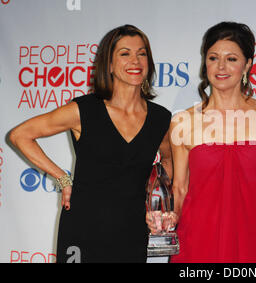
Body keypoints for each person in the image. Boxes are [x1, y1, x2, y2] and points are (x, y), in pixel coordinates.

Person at [9, 24, 172, 263]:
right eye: (125, 53)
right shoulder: (84, 110)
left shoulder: (161, 118)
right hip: (82, 230)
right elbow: (20, 135)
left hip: (132, 230)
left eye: (142, 53)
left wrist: (159, 201)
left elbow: (168, 161)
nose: (135, 61)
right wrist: (63, 179)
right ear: (109, 65)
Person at [159, 21, 256, 263]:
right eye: (213, 57)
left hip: (249, 241)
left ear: (248, 64)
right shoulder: (183, 122)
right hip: (195, 242)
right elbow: (180, 188)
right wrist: (167, 219)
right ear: (204, 62)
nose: (220, 67)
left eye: (231, 59)